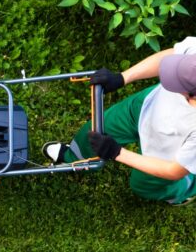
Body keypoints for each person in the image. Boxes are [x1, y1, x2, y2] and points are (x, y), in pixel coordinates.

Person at [42, 37, 196, 205]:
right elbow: (174, 54)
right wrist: (122, 77)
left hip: (166, 153)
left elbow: (173, 170)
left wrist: (117, 152)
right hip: (143, 107)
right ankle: (73, 158)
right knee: (95, 130)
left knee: (143, 187)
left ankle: (186, 188)